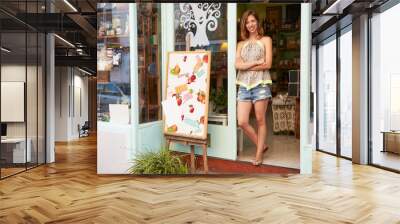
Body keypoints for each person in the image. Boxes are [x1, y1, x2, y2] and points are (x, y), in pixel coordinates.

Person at [235, 10, 272, 166]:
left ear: (257, 22)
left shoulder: (266, 40)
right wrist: (256, 63)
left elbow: (268, 64)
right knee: (242, 121)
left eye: (252, 21)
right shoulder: (240, 44)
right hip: (243, 85)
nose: (250, 24)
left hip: (261, 84)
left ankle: (258, 155)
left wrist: (246, 67)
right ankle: (261, 145)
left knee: (260, 119)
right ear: (244, 25)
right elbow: (237, 65)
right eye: (247, 22)